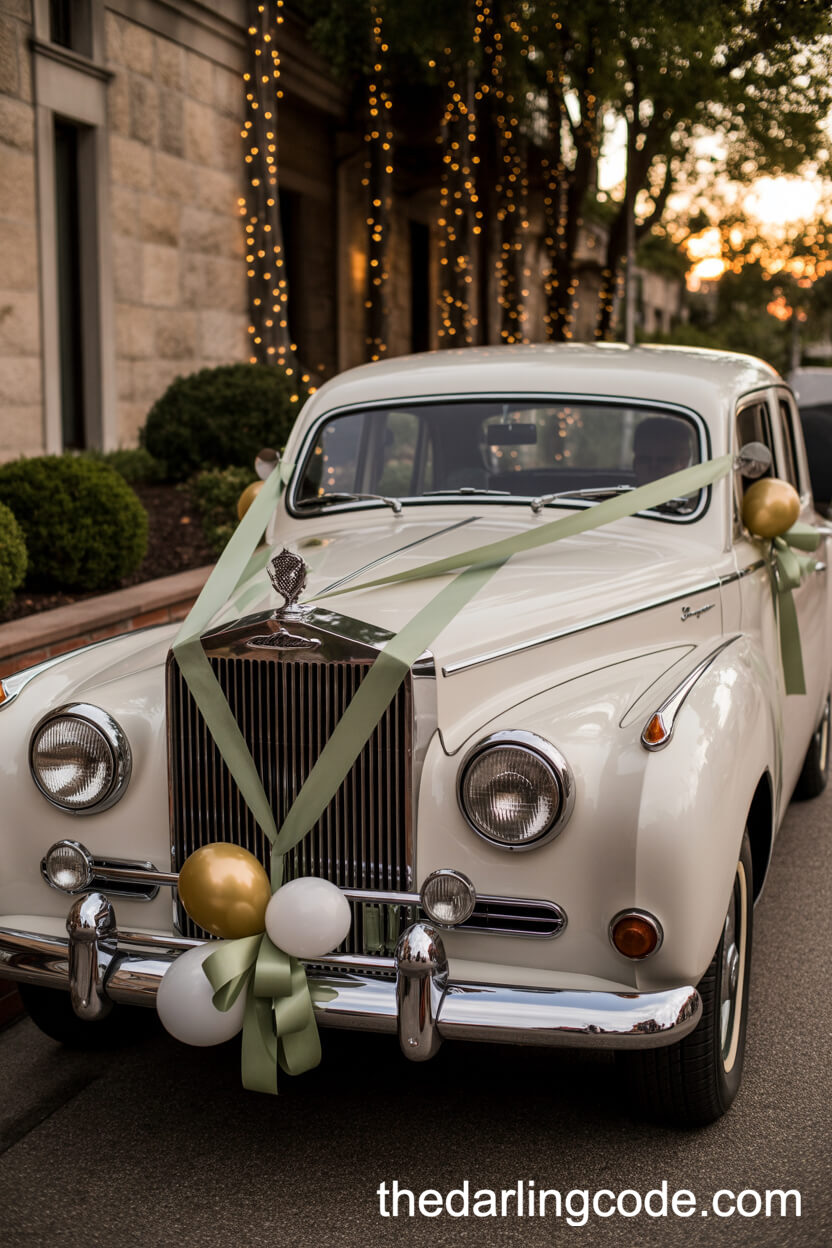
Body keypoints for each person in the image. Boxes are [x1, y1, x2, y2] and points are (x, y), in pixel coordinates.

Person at [632, 417, 693, 486]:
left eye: (664, 460)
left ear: (684, 463)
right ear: (634, 463)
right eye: (644, 459)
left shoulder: (701, 495)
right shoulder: (621, 494)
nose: (653, 466)